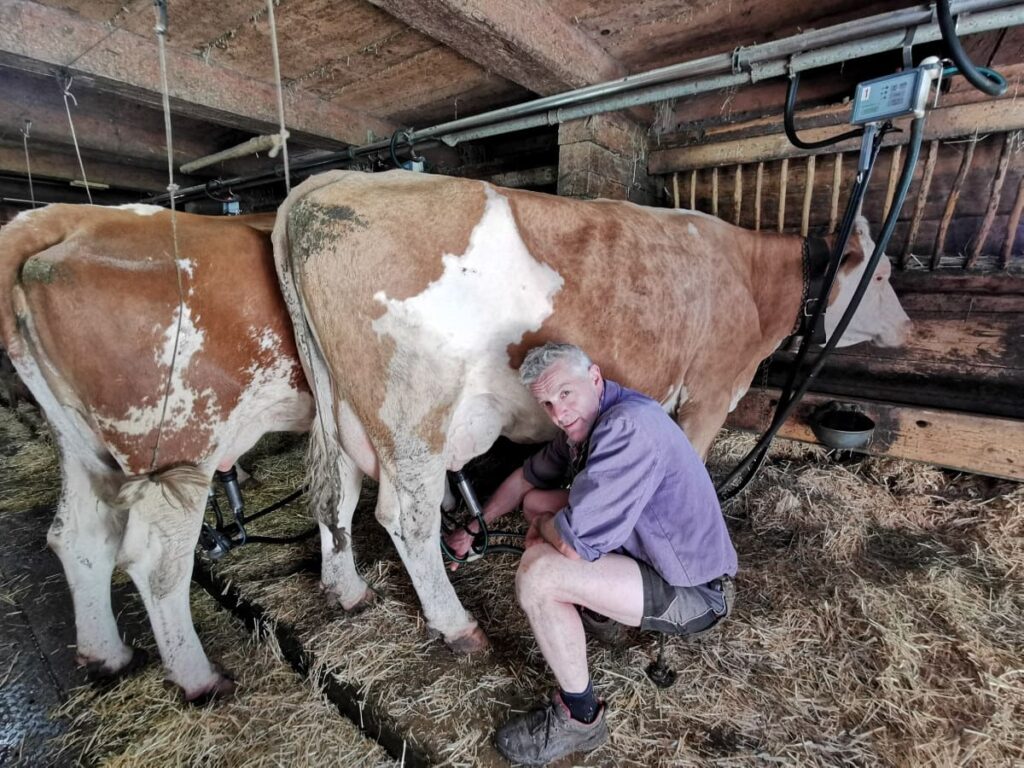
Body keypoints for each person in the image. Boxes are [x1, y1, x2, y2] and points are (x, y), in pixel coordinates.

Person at [446, 341, 738, 765]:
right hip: (652, 561)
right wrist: (477, 525)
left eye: (566, 393)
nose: (559, 413)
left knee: (539, 574)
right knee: (543, 509)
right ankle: (603, 615)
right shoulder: (588, 426)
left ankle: (581, 719)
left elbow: (572, 545)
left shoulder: (626, 428)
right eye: (547, 403)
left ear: (595, 378)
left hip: (696, 592)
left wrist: (542, 527)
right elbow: (526, 479)